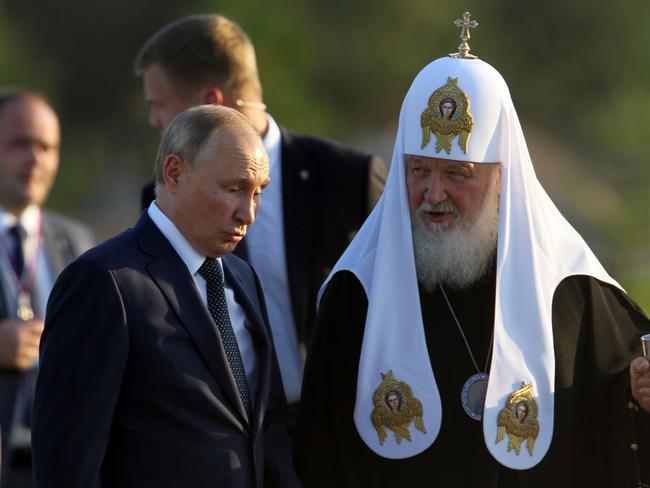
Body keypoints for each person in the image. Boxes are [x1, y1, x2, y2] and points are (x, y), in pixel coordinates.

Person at [294, 13, 650, 487]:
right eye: (419, 171)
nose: (432, 194)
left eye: (456, 174)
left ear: (502, 177)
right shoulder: (354, 291)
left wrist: (642, 401)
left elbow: (619, 427)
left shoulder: (573, 290)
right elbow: (321, 451)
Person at [31, 105, 299, 487]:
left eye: (258, 193)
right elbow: (67, 458)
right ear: (175, 173)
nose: (248, 213)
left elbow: (263, 426)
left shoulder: (242, 277)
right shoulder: (104, 281)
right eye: (234, 188)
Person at [133, 14, 386, 408]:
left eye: (160, 104)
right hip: (227, 444)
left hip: (338, 432)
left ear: (209, 103)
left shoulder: (348, 179)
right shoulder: (165, 197)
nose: (154, 120)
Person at [0, 89, 94, 487]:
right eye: (20, 144)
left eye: (47, 147)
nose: (36, 159)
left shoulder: (78, 242)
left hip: (61, 467)